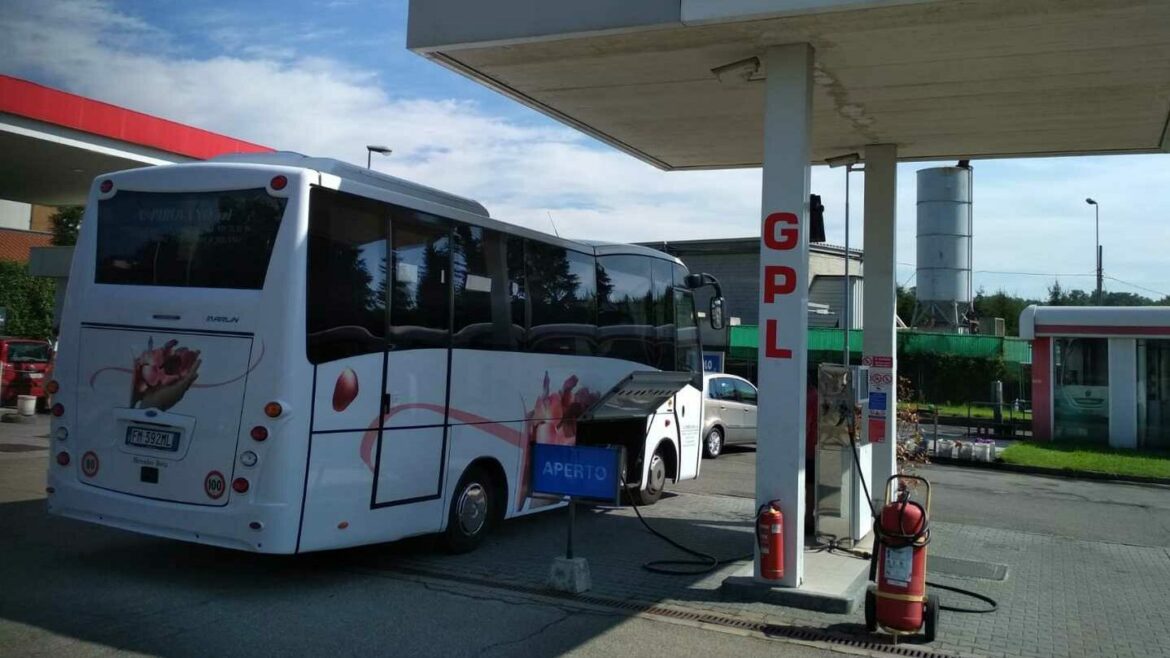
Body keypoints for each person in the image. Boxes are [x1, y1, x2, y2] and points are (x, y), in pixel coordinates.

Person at [805, 367, 819, 534]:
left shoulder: (809, 398)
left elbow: (806, 425)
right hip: (813, 448)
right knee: (810, 486)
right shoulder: (815, 395)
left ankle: (808, 519)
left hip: (807, 449)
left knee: (808, 486)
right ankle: (809, 518)